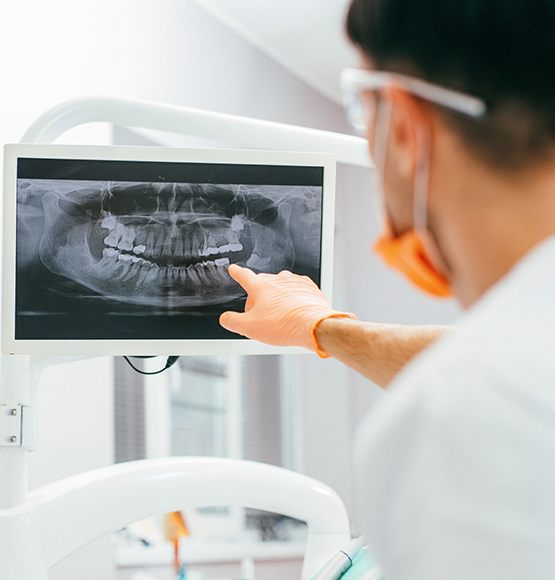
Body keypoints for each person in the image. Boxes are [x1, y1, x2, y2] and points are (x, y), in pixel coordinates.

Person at [220, 0, 555, 577]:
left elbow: (495, 379)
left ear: (402, 128)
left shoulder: (462, 416)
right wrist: (320, 328)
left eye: (361, 109)